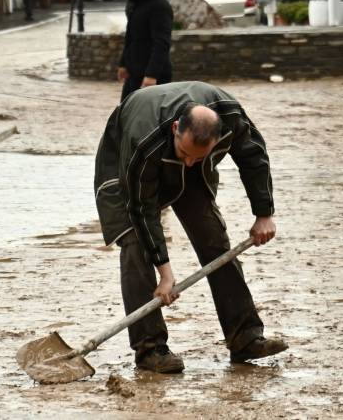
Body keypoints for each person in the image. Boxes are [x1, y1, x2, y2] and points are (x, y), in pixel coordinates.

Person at [94, 81, 288, 373]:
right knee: (136, 247)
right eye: (185, 153)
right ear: (175, 129)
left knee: (214, 241)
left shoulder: (229, 116)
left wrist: (264, 214)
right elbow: (142, 210)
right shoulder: (142, 142)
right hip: (124, 173)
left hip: (184, 169)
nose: (188, 162)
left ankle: (245, 337)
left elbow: (254, 157)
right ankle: (150, 350)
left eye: (197, 156)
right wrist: (165, 274)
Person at [117, 0, 172, 102]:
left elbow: (161, 44)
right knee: (125, 113)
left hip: (152, 77)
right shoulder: (136, 2)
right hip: (133, 72)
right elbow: (130, 36)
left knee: (147, 117)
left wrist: (152, 75)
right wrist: (123, 63)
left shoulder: (159, 6)